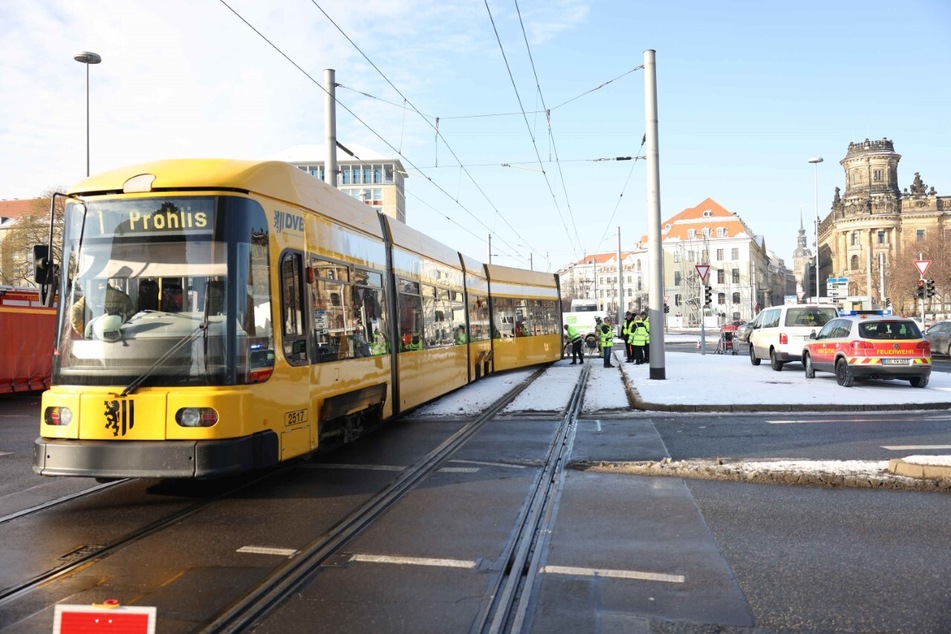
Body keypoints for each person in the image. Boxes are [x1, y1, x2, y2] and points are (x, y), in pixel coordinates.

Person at [70, 280, 135, 336]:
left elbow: (75, 312)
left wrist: (85, 331)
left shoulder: (89, 299)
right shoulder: (123, 297)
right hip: (121, 336)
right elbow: (133, 316)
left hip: (96, 339)